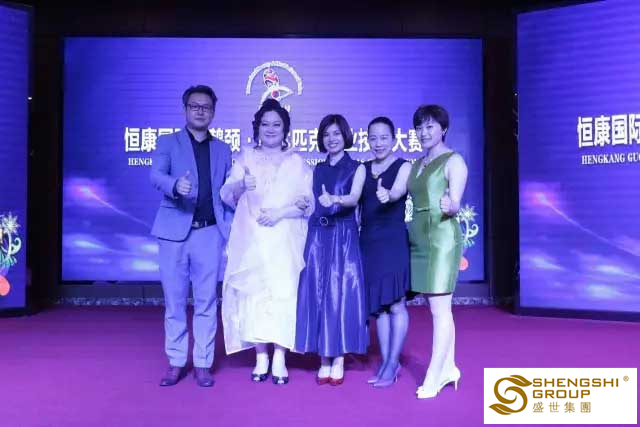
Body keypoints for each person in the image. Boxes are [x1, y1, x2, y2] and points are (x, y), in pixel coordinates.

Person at [220, 99, 312, 385]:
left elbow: (307, 204)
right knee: (254, 297)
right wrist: (240, 185)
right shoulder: (245, 158)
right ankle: (261, 356)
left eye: (276, 124)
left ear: (285, 129)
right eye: (265, 124)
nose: (270, 129)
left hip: (285, 239)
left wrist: (281, 212)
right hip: (252, 239)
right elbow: (226, 193)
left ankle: (280, 356)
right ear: (257, 127)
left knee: (284, 294)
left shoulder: (297, 163)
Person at [150, 85, 233, 387]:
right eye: (195, 106)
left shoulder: (223, 149)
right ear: (185, 109)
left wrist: (239, 192)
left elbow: (227, 191)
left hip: (209, 233)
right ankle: (175, 361)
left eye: (206, 107)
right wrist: (175, 185)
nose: (200, 111)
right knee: (174, 302)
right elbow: (155, 175)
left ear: (213, 112)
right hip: (173, 233)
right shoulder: (168, 142)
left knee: (206, 301)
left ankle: (202, 363)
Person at [294, 114, 368, 386]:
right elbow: (314, 204)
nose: (331, 139)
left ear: (345, 135)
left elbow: (354, 198)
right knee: (317, 293)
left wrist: (334, 198)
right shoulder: (317, 169)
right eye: (326, 134)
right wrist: (306, 205)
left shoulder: (357, 168)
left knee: (340, 294)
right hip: (318, 235)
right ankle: (324, 356)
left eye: (336, 133)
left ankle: (338, 357)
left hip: (343, 235)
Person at [407, 105, 468, 399]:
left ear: (443, 128)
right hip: (418, 238)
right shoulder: (418, 163)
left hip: (442, 238)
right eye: (419, 127)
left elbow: (454, 201)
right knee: (440, 309)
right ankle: (450, 367)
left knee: (439, 310)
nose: (423, 132)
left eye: (430, 126)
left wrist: (451, 205)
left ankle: (434, 375)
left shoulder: (454, 160)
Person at [359, 117, 412, 388]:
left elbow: (399, 191)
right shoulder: (363, 168)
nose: (378, 143)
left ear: (393, 139)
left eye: (383, 137)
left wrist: (388, 195)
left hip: (393, 240)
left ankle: (392, 363)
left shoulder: (404, 166)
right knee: (378, 308)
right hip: (368, 241)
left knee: (396, 304)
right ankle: (386, 361)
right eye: (373, 138)